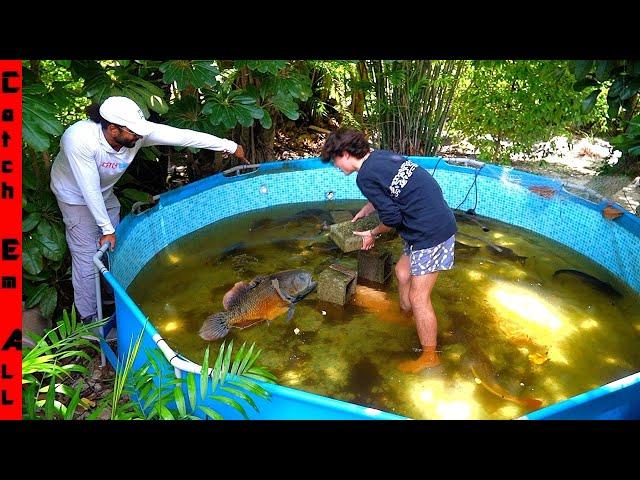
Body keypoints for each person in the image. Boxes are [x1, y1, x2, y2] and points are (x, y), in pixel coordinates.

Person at [50, 96, 250, 323]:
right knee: (87, 257)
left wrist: (230, 146)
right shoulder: (79, 139)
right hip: (74, 197)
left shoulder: (136, 134)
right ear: (113, 128)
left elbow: (183, 136)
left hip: (104, 194)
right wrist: (106, 228)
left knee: (112, 250)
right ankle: (89, 321)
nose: (138, 137)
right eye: (133, 133)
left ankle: (110, 297)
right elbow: (88, 189)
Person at [321, 128, 457, 373]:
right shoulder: (380, 157)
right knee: (402, 273)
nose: (336, 167)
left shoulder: (364, 177)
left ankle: (430, 356)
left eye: (335, 161)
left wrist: (371, 234)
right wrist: (368, 208)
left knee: (419, 297)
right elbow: (392, 189)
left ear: (344, 154)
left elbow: (392, 218)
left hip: (430, 232)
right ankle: (406, 317)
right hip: (428, 221)